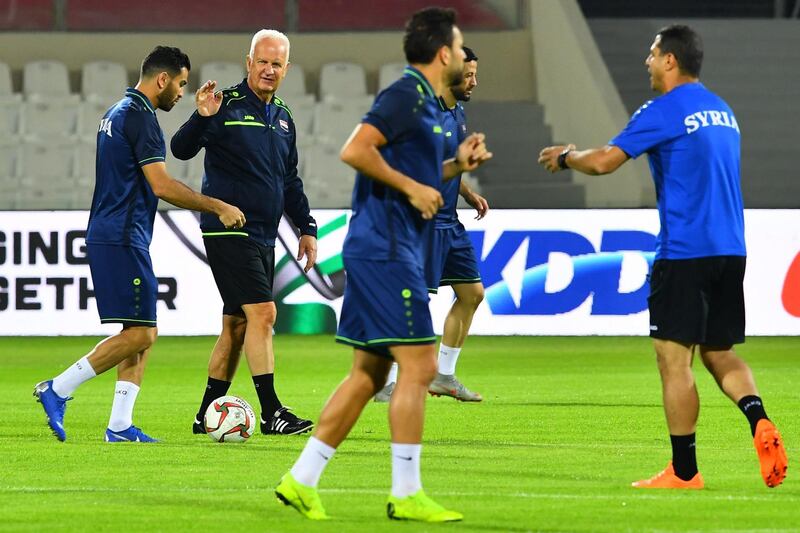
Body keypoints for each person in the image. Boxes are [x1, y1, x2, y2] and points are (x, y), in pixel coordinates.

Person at [538, 25, 787, 489]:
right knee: (720, 351)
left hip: (684, 252)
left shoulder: (664, 110)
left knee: (674, 361)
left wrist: (567, 155)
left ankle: (685, 471)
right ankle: (759, 420)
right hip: (731, 249)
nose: (648, 62)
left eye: (652, 54)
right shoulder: (722, 111)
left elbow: (606, 160)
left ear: (671, 60)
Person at [274, 7, 491, 522]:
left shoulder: (433, 107)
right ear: (444, 54)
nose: (464, 56)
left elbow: (414, 169)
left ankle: (300, 480)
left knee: (369, 374)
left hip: (390, 248)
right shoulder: (406, 94)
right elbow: (356, 149)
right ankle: (406, 491)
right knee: (418, 367)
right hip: (387, 249)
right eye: (460, 48)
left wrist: (457, 168)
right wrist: (414, 187)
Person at [33, 46, 246, 443]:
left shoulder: (114, 113)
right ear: (162, 79)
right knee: (142, 335)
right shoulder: (142, 119)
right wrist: (216, 206)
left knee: (142, 328)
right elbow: (162, 186)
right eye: (181, 83)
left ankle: (120, 426)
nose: (182, 92)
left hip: (115, 232)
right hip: (121, 236)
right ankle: (58, 388)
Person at [171, 29, 317, 437]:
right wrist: (200, 116)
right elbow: (180, 149)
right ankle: (272, 412)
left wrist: (306, 227)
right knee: (264, 313)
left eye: (277, 64)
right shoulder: (225, 104)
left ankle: (204, 416)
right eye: (263, 61)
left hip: (265, 235)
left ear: (286, 69)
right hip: (226, 229)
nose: (269, 70)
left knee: (236, 327)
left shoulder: (283, 117)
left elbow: (289, 180)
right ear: (248, 62)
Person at [374, 46, 488, 403]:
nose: (473, 81)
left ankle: (444, 376)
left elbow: (448, 162)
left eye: (474, 74)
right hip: (419, 222)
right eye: (467, 74)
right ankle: (385, 381)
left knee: (472, 294)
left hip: (448, 222)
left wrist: (466, 192)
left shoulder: (458, 111)